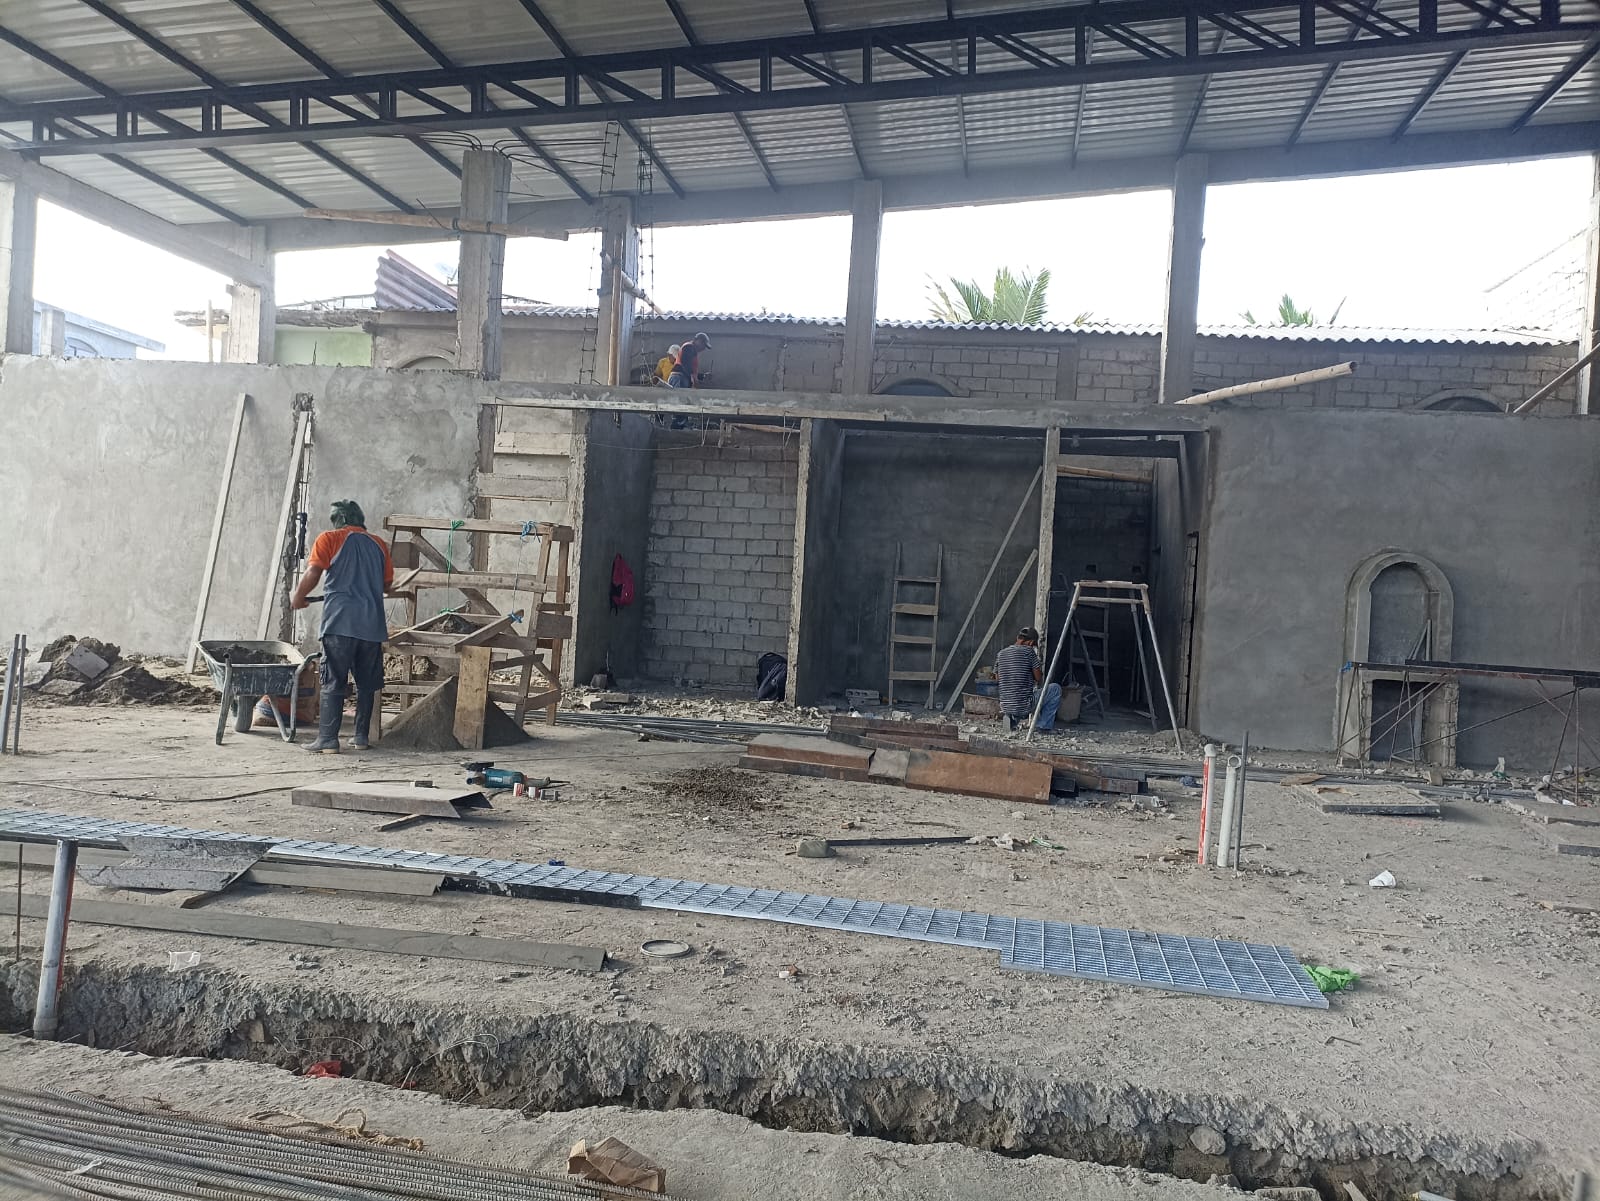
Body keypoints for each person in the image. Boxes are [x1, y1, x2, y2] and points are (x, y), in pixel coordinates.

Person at [291, 499, 394, 753]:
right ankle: (361, 738)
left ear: (340, 519)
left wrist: (299, 596)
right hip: (371, 626)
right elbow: (387, 586)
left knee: (333, 679)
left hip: (339, 622)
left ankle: (327, 739)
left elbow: (314, 572)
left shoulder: (329, 538)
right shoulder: (379, 544)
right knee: (367, 684)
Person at [995, 627, 1062, 733]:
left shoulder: (1001, 654)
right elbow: (1038, 677)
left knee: (1016, 693)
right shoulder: (1029, 652)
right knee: (1055, 689)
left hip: (1005, 704)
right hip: (1024, 705)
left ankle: (1011, 718)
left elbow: (998, 679)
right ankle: (1044, 726)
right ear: (1031, 642)